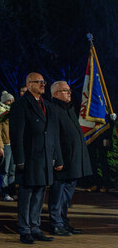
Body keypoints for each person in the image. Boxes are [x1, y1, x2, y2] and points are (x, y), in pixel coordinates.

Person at [9, 72, 63, 244]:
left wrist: (58, 157)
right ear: (29, 84)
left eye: (43, 82)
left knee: (40, 192)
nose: (42, 85)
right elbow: (16, 134)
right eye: (38, 82)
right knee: (26, 194)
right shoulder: (21, 105)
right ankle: (24, 229)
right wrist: (19, 159)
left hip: (45, 156)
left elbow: (54, 134)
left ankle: (35, 227)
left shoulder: (47, 105)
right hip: (30, 156)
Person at [48, 81, 92, 235]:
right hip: (63, 161)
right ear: (56, 94)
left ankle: (64, 222)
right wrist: (58, 159)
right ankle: (55, 223)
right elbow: (54, 137)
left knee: (67, 197)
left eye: (69, 90)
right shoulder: (53, 109)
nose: (69, 93)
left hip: (73, 160)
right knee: (58, 194)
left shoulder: (69, 109)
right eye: (65, 90)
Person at [0, 91, 16, 202]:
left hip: (14, 145)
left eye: (11, 100)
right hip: (6, 146)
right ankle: (4, 192)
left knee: (12, 170)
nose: (10, 102)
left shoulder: (14, 113)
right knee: (4, 171)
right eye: (8, 101)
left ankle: (12, 191)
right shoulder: (0, 114)